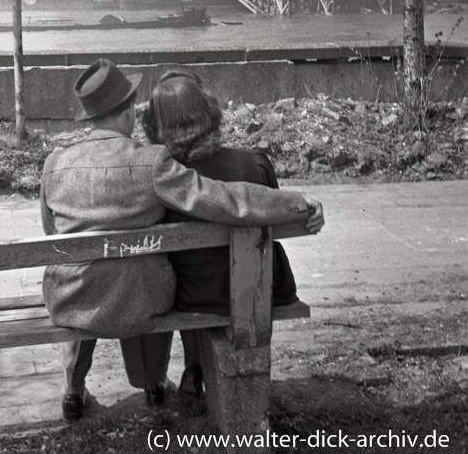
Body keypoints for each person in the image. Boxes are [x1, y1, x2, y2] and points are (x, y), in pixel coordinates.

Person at [41, 58, 324, 422]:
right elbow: (225, 199)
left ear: (89, 117)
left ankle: (74, 390)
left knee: (99, 273)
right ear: (128, 111)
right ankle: (154, 385)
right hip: (137, 304)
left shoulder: (54, 164)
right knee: (139, 277)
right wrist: (297, 203)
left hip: (68, 302)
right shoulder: (151, 163)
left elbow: (53, 235)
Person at [141, 70, 320, 403]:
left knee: (184, 271)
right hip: (263, 292)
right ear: (210, 115)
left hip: (193, 297)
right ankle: (201, 366)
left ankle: (194, 365)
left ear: (156, 127)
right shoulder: (255, 165)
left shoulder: (165, 183)